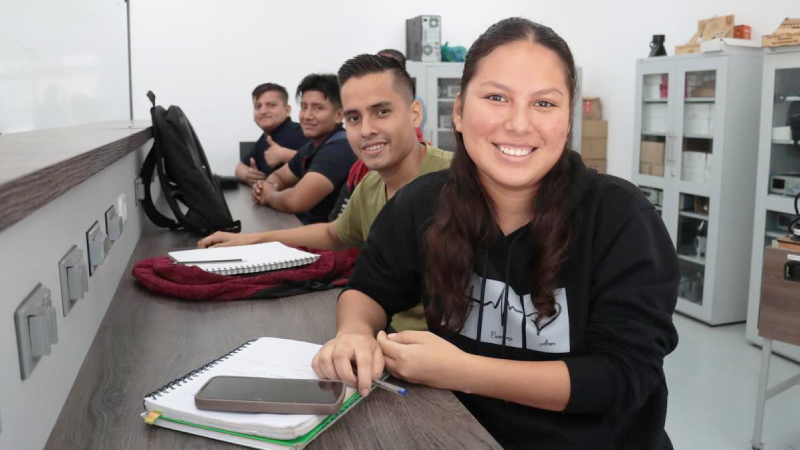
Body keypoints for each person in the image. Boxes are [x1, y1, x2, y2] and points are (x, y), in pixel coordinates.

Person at [311, 18, 680, 450]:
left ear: (567, 121)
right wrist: (354, 333)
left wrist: (463, 370)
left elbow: (622, 376)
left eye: (544, 103)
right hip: (461, 434)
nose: (519, 124)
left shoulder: (621, 218)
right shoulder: (422, 203)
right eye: (496, 97)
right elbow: (368, 289)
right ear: (459, 111)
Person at [199, 55, 453, 331]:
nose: (366, 130)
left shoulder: (458, 181)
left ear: (415, 113)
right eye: (354, 118)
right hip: (389, 340)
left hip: (448, 349)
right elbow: (334, 234)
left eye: (382, 112)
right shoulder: (370, 185)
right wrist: (252, 239)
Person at [251, 74, 356, 224]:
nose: (307, 116)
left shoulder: (340, 148)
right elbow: (280, 177)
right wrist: (266, 187)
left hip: (326, 236)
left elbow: (296, 201)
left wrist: (268, 195)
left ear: (339, 115)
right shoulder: (312, 146)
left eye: (318, 108)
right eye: (304, 107)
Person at [236, 83, 308, 185]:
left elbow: (322, 162)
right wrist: (248, 175)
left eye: (271, 105)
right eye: (257, 106)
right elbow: (239, 167)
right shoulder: (266, 137)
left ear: (287, 110)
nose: (263, 111)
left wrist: (284, 155)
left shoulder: (303, 132)